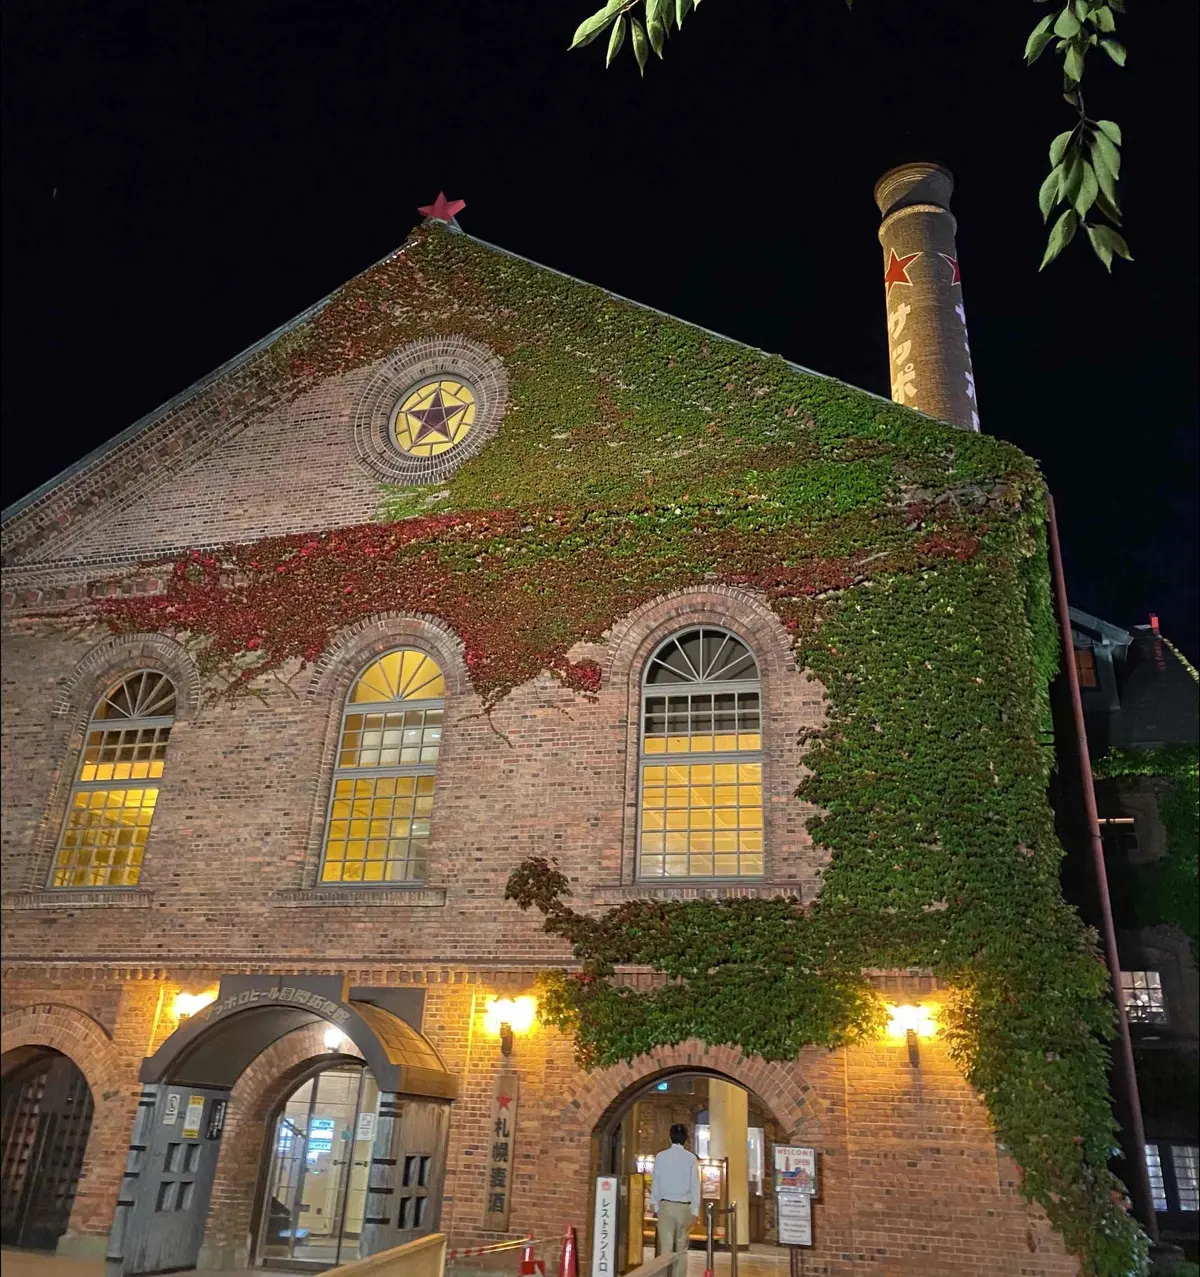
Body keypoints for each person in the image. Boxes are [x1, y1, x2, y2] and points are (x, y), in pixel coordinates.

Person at [650, 1124, 700, 1277]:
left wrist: (655, 1206)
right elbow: (695, 1185)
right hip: (684, 1208)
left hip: (665, 1206)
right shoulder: (691, 1158)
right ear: (686, 1139)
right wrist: (695, 1210)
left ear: (670, 1137)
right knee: (682, 1250)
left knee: (665, 1249)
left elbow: (656, 1182)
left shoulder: (660, 1156)